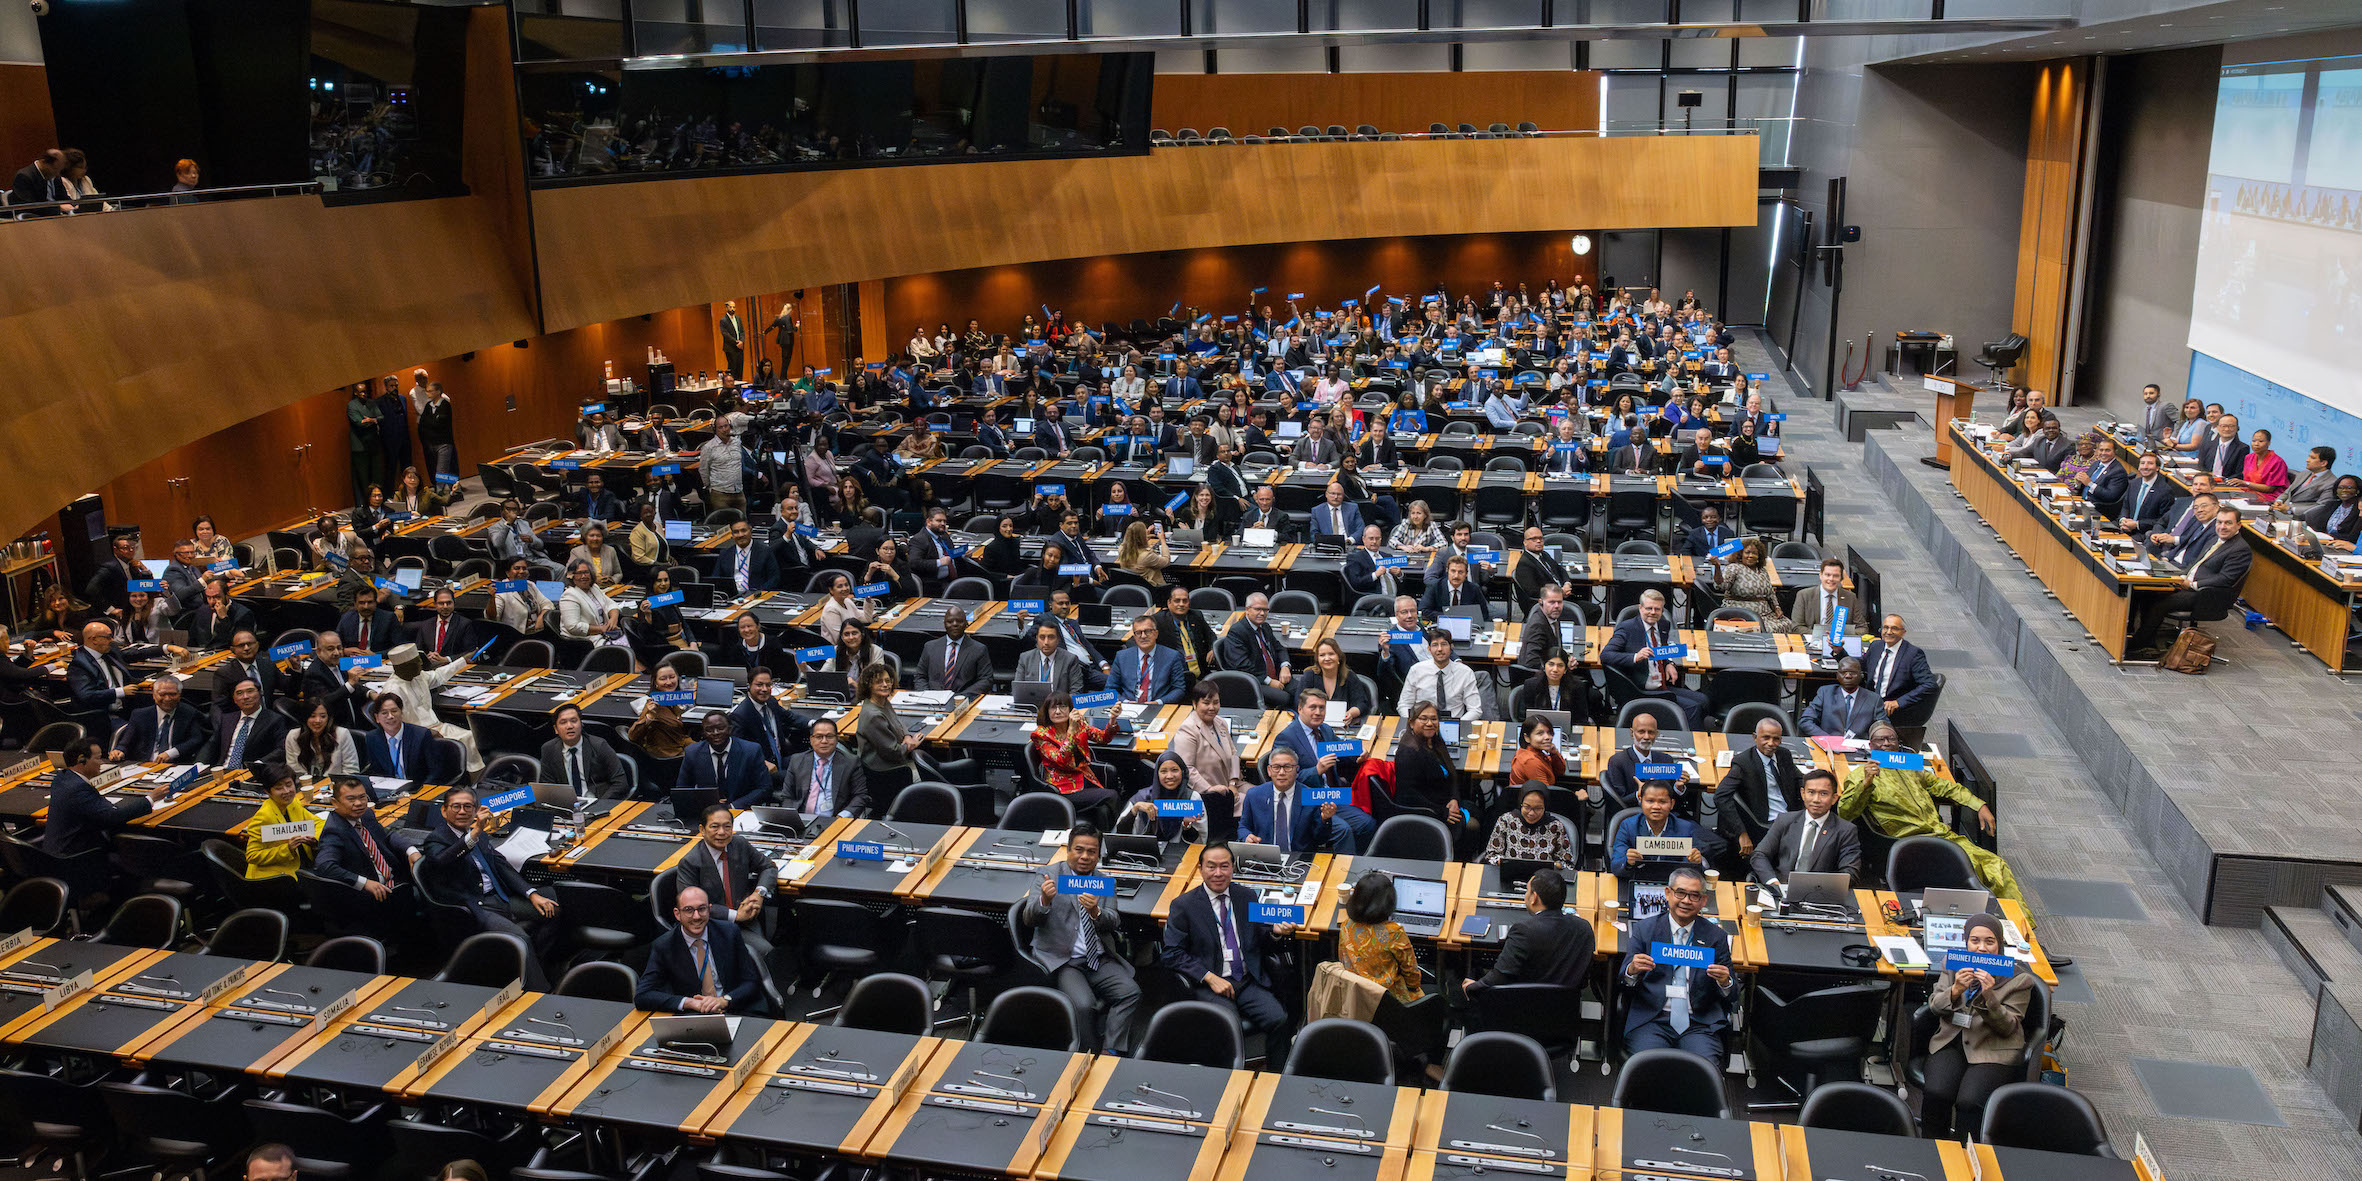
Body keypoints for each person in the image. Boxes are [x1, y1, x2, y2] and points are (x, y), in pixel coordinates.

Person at [1840, 723, 2020, 902]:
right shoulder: (1859, 775)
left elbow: (1945, 787)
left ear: (1898, 742)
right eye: (1880, 739)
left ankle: (2018, 918)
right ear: (1870, 745)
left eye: (1891, 738)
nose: (1886, 743)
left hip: (1942, 834)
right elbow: (1845, 813)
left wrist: (1979, 805)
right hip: (1910, 841)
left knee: (1997, 866)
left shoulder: (1910, 766)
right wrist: (1865, 784)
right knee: (1976, 870)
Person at [1161, 843, 1298, 1060]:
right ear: (1200, 869)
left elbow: (1258, 939)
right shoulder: (1183, 905)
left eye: (1224, 866)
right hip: (1209, 984)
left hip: (1246, 980)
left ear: (1233, 868)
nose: (1218, 873)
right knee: (1229, 1028)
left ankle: (1275, 1075)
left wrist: (1275, 934)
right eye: (1211, 866)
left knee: (1279, 1019)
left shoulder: (1247, 896)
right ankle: (1230, 1076)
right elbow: (1172, 953)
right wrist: (1209, 977)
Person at [417, 787, 561, 990]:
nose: (462, 811)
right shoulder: (437, 839)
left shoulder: (478, 834)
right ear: (444, 811)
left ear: (476, 810)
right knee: (520, 939)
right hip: (475, 906)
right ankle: (538, 992)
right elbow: (441, 861)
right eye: (456, 807)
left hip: (499, 897)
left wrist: (532, 894)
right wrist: (474, 834)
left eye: (468, 807)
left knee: (553, 908)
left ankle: (534, 967)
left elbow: (501, 865)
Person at [1015, 823, 1141, 1052]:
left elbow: (1114, 921)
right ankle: (1085, 1053)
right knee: (1084, 1005)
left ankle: (1111, 1050)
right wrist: (1044, 900)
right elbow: (1029, 919)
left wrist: (1096, 912)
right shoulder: (1049, 875)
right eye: (1079, 850)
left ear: (1098, 855)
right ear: (1068, 850)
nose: (1085, 856)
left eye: (1091, 852)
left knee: (1130, 992)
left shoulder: (1105, 881)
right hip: (1064, 960)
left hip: (1098, 958)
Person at [1919, 913, 2034, 1138]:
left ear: (1999, 944)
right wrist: (1955, 991)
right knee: (1936, 1092)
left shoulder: (2019, 979)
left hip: (1993, 1047)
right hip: (1953, 1040)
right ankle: (1933, 1149)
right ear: (1966, 942)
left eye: (1989, 942)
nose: (1981, 948)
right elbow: (1935, 1007)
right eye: (1975, 941)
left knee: (1969, 1102)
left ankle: (1967, 1154)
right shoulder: (1953, 964)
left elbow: (2008, 1027)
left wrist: (1989, 996)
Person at [1618, 865, 1737, 1063]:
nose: (1686, 901)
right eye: (1680, 893)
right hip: (1652, 1020)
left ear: (1703, 901)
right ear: (1667, 893)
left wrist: (1725, 982)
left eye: (1694, 896)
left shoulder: (1716, 937)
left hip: (1699, 1024)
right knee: (1648, 1068)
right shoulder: (1645, 930)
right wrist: (1632, 971)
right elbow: (1623, 981)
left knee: (1704, 1070)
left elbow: (1732, 994)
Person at [2130, 506, 2252, 657]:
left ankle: (2138, 644)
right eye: (2219, 522)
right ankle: (2146, 640)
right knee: (2147, 591)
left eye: (2228, 523)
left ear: (2238, 525)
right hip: (2188, 583)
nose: (2222, 527)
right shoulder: (2216, 540)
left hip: (2207, 594)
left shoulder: (2240, 549)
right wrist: (2178, 577)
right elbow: (2195, 564)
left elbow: (2225, 579)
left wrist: (2192, 584)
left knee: (2160, 603)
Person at [1463, 868, 1592, 997]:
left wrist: (1471, 988)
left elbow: (1500, 977)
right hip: (1566, 1005)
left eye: (1527, 891)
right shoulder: (1584, 928)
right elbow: (1583, 980)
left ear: (1534, 898)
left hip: (1524, 1004)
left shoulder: (1523, 932)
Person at [639, 886, 765, 1015]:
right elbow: (643, 994)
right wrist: (689, 1002)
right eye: (688, 910)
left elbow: (751, 981)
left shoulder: (729, 932)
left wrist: (725, 1000)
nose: (696, 916)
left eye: (702, 909)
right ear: (677, 914)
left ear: (709, 909)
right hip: (693, 1015)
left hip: (734, 1010)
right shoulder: (664, 946)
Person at [40, 737, 173, 856]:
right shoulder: (78, 788)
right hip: (74, 858)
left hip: (56, 851)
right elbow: (113, 817)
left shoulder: (62, 777)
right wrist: (151, 798)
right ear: (81, 760)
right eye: (98, 758)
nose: (102, 763)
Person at [1601, 589, 1709, 724]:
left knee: (1704, 701)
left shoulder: (1664, 625)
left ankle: (1677, 724)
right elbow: (1606, 655)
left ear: (1662, 610)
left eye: (1657, 609)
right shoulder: (1627, 628)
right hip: (1641, 690)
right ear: (1640, 608)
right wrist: (1636, 657)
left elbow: (1662, 648)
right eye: (1649, 608)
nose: (1653, 612)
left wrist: (1669, 663)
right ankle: (1690, 735)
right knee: (1693, 707)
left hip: (1662, 685)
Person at [1749, 769, 1862, 886]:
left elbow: (1850, 872)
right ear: (1803, 794)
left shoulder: (1846, 830)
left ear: (1834, 798)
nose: (1816, 799)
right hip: (1781, 887)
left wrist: (1819, 888)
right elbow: (1759, 854)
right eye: (1811, 792)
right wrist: (1773, 883)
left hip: (1821, 891)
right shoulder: (1785, 820)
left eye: (1823, 794)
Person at [314, 777, 416, 906]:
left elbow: (386, 835)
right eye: (351, 799)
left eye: (362, 797)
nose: (358, 803)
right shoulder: (334, 831)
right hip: (372, 896)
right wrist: (364, 883)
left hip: (396, 878)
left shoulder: (366, 814)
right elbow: (324, 866)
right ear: (335, 802)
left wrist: (411, 851)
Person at [1030, 691, 1119, 826]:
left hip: (1084, 777)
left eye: (1062, 707)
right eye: (1053, 708)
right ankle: (1120, 831)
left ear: (1071, 709)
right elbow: (1061, 760)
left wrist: (1112, 719)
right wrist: (1071, 730)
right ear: (1047, 711)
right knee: (1111, 796)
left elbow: (1103, 738)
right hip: (1062, 789)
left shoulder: (1080, 724)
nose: (1058, 711)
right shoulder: (1042, 735)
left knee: (1107, 802)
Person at [1169, 683, 1243, 842]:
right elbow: (1186, 768)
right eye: (1206, 703)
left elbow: (1234, 755)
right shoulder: (1188, 730)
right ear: (1194, 704)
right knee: (1256, 803)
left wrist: (1233, 783)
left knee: (1260, 795)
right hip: (1209, 793)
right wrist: (1209, 788)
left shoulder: (1220, 722)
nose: (1212, 707)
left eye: (1216, 702)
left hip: (1230, 785)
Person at [1338, 871, 1424, 1005]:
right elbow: (1411, 972)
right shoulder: (1393, 933)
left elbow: (1343, 960)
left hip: (1356, 997)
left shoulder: (1346, 926)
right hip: (1389, 999)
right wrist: (1414, 987)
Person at [1611, 780, 1708, 881]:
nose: (1656, 807)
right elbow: (1615, 866)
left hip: (1673, 883)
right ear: (1640, 801)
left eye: (1662, 802)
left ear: (1672, 804)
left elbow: (1694, 871)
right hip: (1638, 881)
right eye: (1650, 801)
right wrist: (1627, 862)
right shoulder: (1628, 826)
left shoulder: (1686, 828)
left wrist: (1694, 862)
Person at [243, 762, 323, 879]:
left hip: (304, 864)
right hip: (277, 876)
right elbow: (252, 855)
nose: (286, 791)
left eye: (289, 784)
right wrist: (287, 849)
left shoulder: (293, 803)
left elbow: (318, 823)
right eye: (278, 788)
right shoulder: (264, 817)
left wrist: (314, 838)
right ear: (268, 792)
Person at [112, 675, 213, 764]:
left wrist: (172, 753)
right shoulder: (140, 715)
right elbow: (125, 743)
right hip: (144, 764)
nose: (167, 698)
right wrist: (119, 751)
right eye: (162, 694)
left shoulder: (189, 713)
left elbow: (196, 740)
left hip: (176, 765)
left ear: (180, 695)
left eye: (173, 694)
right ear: (154, 695)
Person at [853, 663, 920, 796]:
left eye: (888, 681)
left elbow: (898, 722)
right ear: (869, 685)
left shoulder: (882, 701)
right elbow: (893, 752)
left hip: (894, 760)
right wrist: (910, 746)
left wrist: (907, 736)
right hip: (885, 772)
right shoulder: (873, 715)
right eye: (879, 682)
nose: (885, 685)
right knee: (928, 775)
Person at [680, 713, 771, 809]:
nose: (715, 733)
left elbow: (764, 788)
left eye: (720, 728)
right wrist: (708, 803)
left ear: (730, 729)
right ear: (703, 733)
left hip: (741, 809)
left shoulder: (751, 750)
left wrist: (732, 806)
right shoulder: (693, 753)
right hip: (708, 810)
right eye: (709, 730)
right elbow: (682, 790)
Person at [784, 717, 868, 817]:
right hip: (802, 817)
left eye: (829, 736)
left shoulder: (851, 762)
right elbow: (787, 796)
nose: (824, 741)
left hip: (836, 819)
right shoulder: (797, 761)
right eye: (819, 737)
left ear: (837, 739)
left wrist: (844, 815)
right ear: (811, 740)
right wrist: (792, 817)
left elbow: (860, 795)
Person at [1705, 537, 1794, 631]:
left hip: (1766, 613)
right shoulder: (1734, 568)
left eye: (1754, 553)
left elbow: (1770, 593)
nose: (1750, 556)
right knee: (1767, 629)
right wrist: (1717, 567)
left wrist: (1776, 607)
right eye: (1747, 553)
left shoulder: (1762, 571)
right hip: (1742, 613)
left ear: (1759, 557)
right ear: (1741, 555)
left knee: (1788, 624)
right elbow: (1720, 586)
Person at [541, 704, 627, 799]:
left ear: (581, 724)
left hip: (597, 800)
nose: (569, 726)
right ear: (556, 729)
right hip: (566, 802)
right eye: (563, 722)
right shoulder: (549, 749)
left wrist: (601, 804)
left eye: (574, 721)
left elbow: (621, 782)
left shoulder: (599, 745)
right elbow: (547, 785)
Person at [1398, 628, 1485, 721]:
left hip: (1454, 723)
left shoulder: (1465, 672)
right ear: (1429, 649)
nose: (1439, 649)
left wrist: (1458, 725)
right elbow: (1404, 705)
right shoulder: (1416, 670)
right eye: (1435, 645)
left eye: (1444, 644)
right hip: (1423, 723)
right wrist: (1413, 722)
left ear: (1451, 648)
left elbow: (1475, 709)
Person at [1859, 614, 1936, 720]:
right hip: (1870, 701)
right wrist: (1840, 652)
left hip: (1892, 708)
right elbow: (1860, 666)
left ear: (1903, 632)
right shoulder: (1876, 646)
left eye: (1894, 628)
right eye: (1885, 627)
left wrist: (1898, 702)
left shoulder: (1913, 654)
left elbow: (1930, 684)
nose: (1888, 632)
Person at [1482, 785, 1577, 867]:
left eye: (1538, 808)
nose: (1531, 813)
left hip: (1544, 878)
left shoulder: (1555, 826)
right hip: (1511, 875)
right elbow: (1491, 855)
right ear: (1521, 804)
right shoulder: (1507, 820)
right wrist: (1502, 862)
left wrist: (1556, 866)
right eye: (1527, 807)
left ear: (1545, 807)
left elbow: (1567, 863)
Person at [1121, 752, 1206, 842]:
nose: (1169, 776)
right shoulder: (1143, 797)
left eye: (1174, 770)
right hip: (1144, 848)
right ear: (1157, 774)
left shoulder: (1192, 798)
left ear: (1182, 772)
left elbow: (1200, 842)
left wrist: (1187, 825)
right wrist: (1135, 809)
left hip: (1180, 849)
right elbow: (1120, 834)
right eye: (1163, 771)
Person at [214, 676, 289, 774]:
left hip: (251, 772)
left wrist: (258, 764)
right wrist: (200, 763)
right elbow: (212, 744)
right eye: (239, 693)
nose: (245, 697)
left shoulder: (274, 719)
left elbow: (281, 749)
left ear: (260, 694)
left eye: (250, 691)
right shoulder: (227, 719)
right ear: (234, 699)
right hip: (222, 771)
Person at [1111, 615, 1187, 705]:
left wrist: (1158, 702)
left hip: (1158, 707)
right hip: (1128, 707)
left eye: (1147, 631)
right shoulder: (1122, 657)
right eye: (1138, 633)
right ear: (1134, 636)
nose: (1143, 636)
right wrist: (1126, 702)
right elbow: (1110, 688)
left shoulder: (1172, 656)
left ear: (1156, 633)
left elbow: (1179, 689)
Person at [285, 699, 361, 778]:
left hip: (336, 784)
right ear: (305, 718)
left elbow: (351, 771)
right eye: (312, 716)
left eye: (323, 716)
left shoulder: (342, 734)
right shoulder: (293, 736)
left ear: (328, 718)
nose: (318, 720)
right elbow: (293, 771)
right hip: (304, 784)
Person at [1787, 558, 1858, 639]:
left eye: (1835, 576)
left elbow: (1862, 628)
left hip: (1841, 642)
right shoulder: (1804, 595)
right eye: (1827, 575)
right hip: (1813, 640)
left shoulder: (1850, 597)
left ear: (1841, 578)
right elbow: (1796, 627)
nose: (1831, 579)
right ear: (1820, 575)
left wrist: (1839, 635)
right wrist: (1822, 635)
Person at [698, 419, 749, 512]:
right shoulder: (708, 447)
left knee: (742, 520)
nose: (724, 429)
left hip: (739, 491)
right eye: (720, 427)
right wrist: (710, 487)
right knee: (724, 521)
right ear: (715, 430)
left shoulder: (737, 442)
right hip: (720, 494)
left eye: (726, 426)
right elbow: (703, 469)